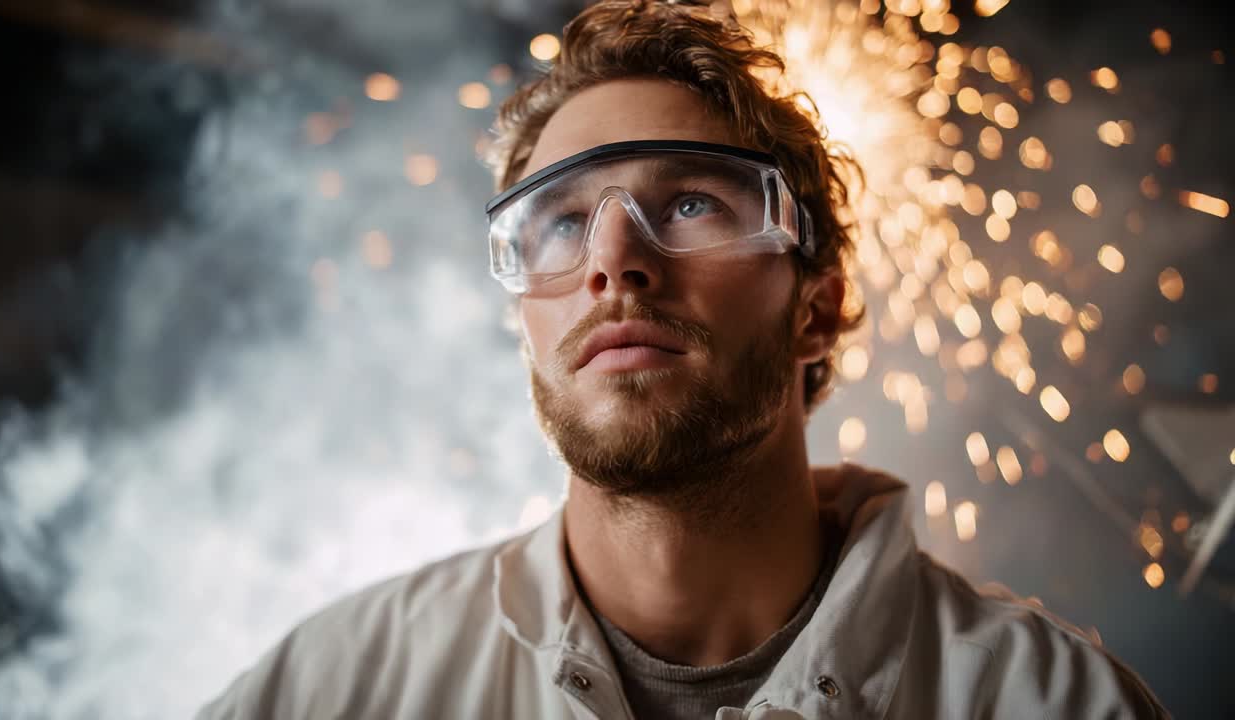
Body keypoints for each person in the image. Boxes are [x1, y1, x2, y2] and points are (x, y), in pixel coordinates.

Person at [197, 1, 1167, 717]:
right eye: (561, 223)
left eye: (691, 204)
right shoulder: (344, 687)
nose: (613, 261)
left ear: (816, 309)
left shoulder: (1048, 703)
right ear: (521, 314)